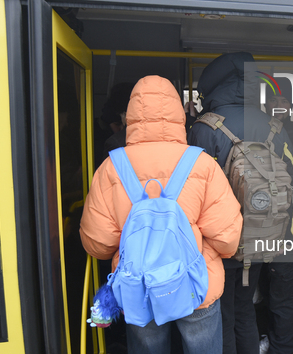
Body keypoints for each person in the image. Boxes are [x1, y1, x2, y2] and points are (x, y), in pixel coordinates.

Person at [80, 75, 243, 354]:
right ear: (178, 114)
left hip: (139, 286)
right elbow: (227, 239)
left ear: (130, 115)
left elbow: (98, 243)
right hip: (195, 284)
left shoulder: (111, 167)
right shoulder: (201, 164)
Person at [187, 52, 293, 354]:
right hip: (263, 234)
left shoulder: (203, 128)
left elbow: (191, 193)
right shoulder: (274, 125)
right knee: (245, 308)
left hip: (219, 240)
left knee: (220, 311)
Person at [263, 81, 293, 354]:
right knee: (273, 288)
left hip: (289, 225)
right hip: (265, 224)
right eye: (273, 101)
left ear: (290, 107)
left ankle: (281, 347)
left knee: (282, 290)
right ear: (266, 105)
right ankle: (273, 339)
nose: (278, 105)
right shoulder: (264, 132)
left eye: (283, 101)